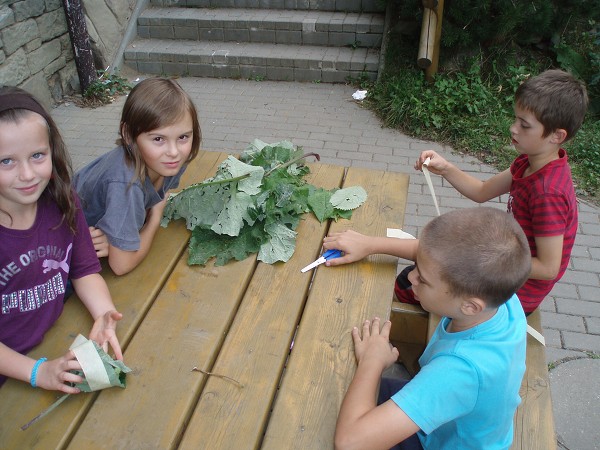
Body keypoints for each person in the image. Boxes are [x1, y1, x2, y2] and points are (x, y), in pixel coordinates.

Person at [327, 69, 588, 315]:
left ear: (556, 136)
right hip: (505, 265)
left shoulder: (547, 192)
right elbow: (482, 191)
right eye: (515, 119)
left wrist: (480, 261)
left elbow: (549, 268)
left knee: (415, 282)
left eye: (525, 125)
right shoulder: (529, 162)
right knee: (415, 276)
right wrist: (447, 168)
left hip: (515, 292)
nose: (513, 128)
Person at [334, 207, 531, 450]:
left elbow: (350, 442)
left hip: (440, 442)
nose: (411, 277)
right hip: (469, 424)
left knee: (332, 403)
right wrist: (371, 244)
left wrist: (372, 359)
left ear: (469, 306)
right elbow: (433, 255)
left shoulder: (458, 371)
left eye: (423, 280)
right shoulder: (498, 294)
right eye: (417, 265)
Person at [0, 86, 123, 392]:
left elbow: (85, 270)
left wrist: (103, 313)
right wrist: (37, 372)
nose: (28, 174)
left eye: (37, 156)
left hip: (52, 344)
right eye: (7, 162)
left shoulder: (63, 201)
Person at [74, 78, 201, 275]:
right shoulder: (127, 184)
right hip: (63, 254)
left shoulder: (168, 162)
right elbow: (121, 264)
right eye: (158, 139)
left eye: (183, 137)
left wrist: (118, 236)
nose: (174, 151)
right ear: (128, 134)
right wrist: (155, 217)